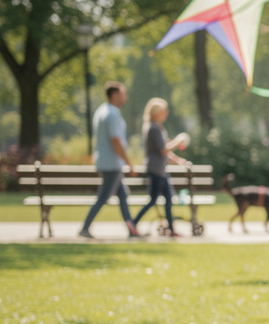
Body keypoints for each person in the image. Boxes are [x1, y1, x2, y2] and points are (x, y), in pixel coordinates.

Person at [79, 82, 139, 239]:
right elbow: (116, 142)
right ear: (114, 95)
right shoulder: (111, 114)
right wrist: (129, 163)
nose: (125, 97)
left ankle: (131, 228)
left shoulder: (102, 111)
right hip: (112, 163)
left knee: (122, 196)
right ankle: (85, 228)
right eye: (123, 94)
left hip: (107, 161)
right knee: (103, 196)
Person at [132, 98, 190, 236]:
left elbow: (165, 151)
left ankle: (171, 229)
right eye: (164, 111)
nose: (167, 113)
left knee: (168, 199)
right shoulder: (152, 128)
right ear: (157, 112)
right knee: (153, 200)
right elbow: (163, 150)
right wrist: (178, 140)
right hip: (155, 170)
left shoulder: (158, 127)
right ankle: (133, 223)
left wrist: (177, 160)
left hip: (161, 170)